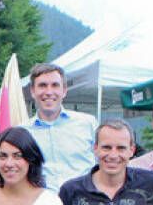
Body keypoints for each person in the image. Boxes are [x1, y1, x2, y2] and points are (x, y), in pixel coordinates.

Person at [22, 62, 97, 190]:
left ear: (64, 91)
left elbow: (101, 165)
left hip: (83, 201)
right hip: (43, 204)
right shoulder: (22, 132)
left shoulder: (88, 124)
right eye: (42, 86)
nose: (49, 92)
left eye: (55, 85)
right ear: (33, 91)